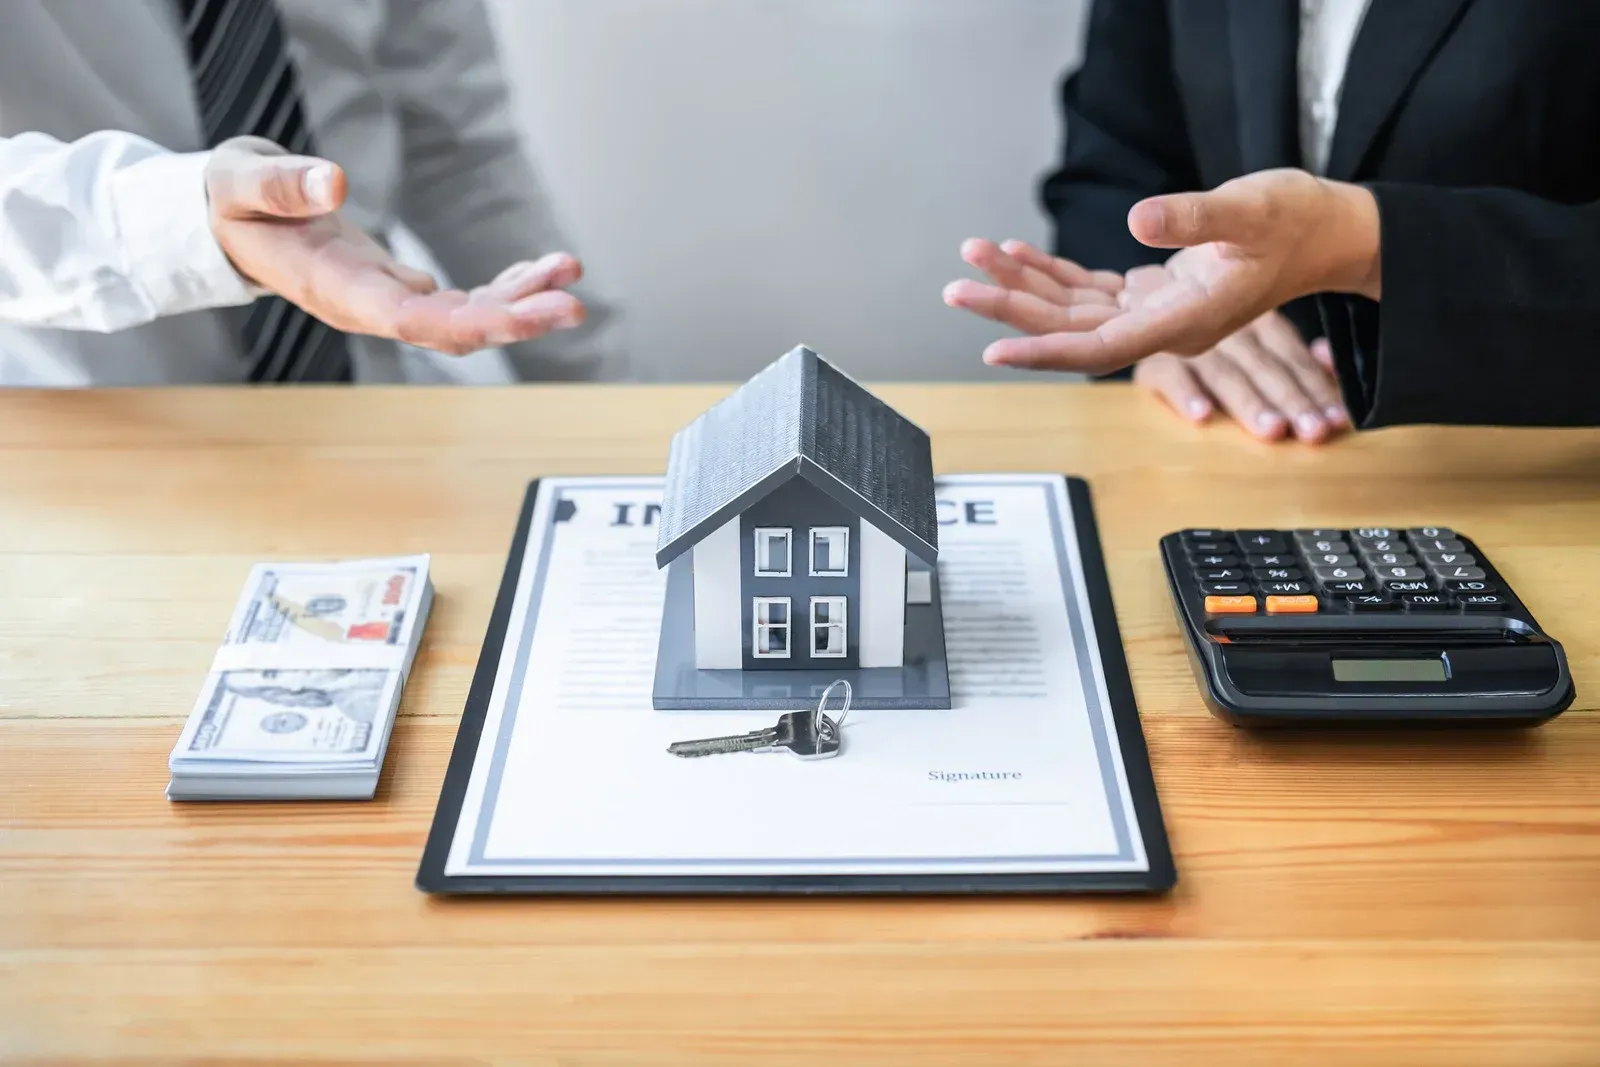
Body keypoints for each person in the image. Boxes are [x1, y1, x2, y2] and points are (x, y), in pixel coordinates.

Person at [946, 0, 1600, 437]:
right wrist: (1166, 310)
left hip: (1530, 464)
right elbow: (1117, 159)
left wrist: (1367, 244)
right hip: (1240, 449)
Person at [0, 0, 614, 385]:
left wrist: (621, 410)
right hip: (89, 443)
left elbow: (456, 150)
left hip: (374, 400)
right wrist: (187, 219)